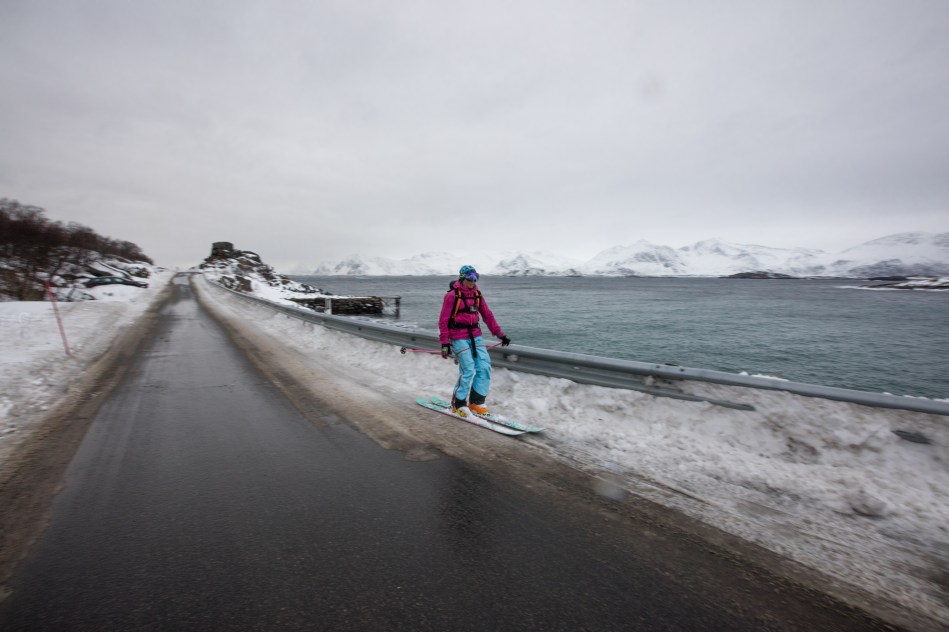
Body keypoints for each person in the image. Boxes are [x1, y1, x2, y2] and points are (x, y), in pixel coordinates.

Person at [438, 265, 511, 416]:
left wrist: (500, 335)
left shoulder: (477, 295)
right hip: (458, 336)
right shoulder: (452, 296)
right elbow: (443, 320)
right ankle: (458, 404)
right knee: (468, 368)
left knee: (484, 366)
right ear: (463, 278)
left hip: (475, 335)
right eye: (470, 278)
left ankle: (476, 402)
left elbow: (487, 315)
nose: (473, 281)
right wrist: (445, 343)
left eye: (476, 278)